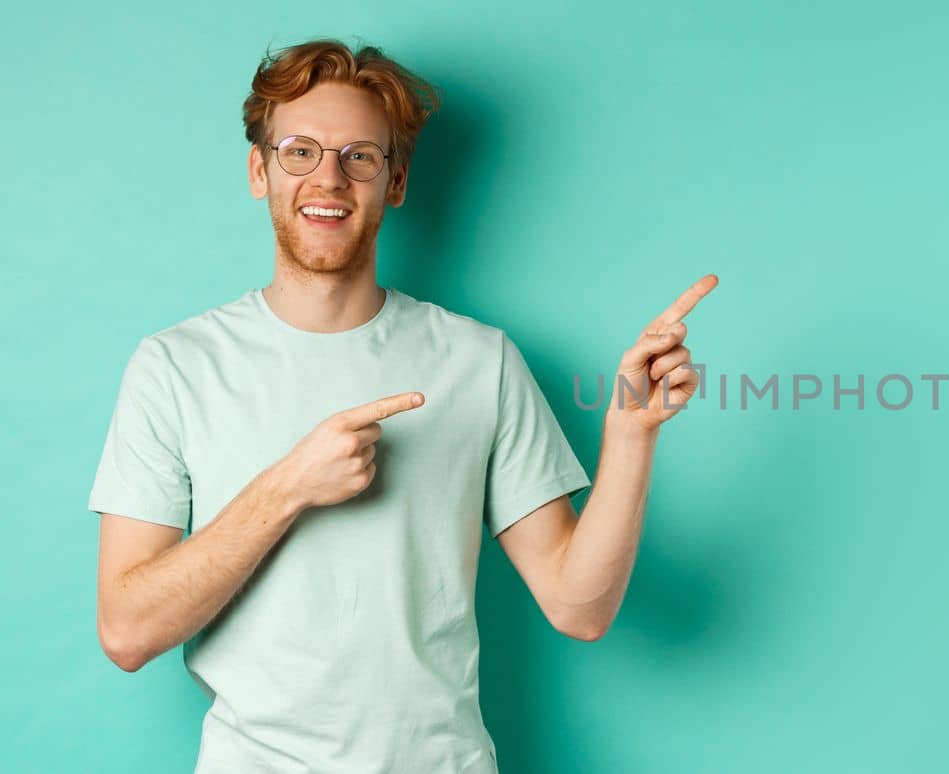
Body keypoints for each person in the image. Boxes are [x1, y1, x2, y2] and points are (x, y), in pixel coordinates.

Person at [87, 38, 717, 773]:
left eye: (360, 156)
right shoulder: (175, 367)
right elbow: (126, 631)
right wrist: (290, 486)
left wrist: (631, 434)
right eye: (300, 151)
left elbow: (580, 609)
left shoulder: (481, 362)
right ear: (260, 171)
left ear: (396, 182)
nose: (329, 177)